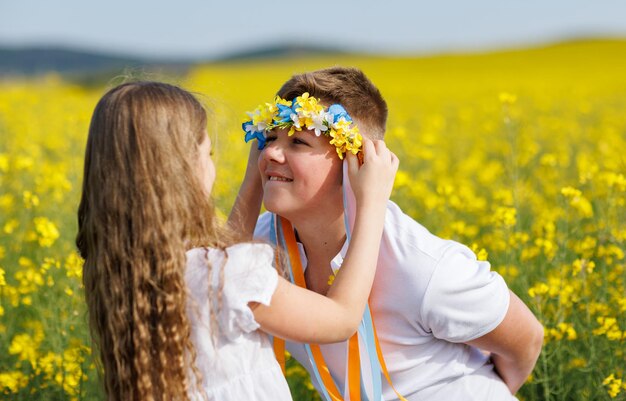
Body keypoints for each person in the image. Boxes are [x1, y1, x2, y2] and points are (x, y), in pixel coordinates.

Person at [235, 67, 544, 401]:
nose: (269, 153)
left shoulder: (423, 266)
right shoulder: (258, 245)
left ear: (357, 159)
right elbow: (217, 281)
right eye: (268, 139)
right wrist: (252, 185)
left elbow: (527, 340)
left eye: (298, 141)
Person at [76, 81, 398, 401]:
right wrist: (371, 201)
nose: (271, 150)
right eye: (208, 153)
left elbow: (221, 261)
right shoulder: (224, 274)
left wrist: (255, 181)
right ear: (181, 170)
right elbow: (340, 320)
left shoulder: (123, 269)